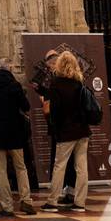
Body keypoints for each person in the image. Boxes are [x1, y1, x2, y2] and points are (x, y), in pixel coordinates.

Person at [0, 58, 36, 216]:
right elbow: (25, 106)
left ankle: (7, 205)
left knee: (0, 170)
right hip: (14, 132)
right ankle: (26, 201)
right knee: (21, 167)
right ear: (10, 69)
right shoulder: (14, 85)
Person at [42, 50, 90, 212]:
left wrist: (55, 128)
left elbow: (54, 110)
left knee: (59, 166)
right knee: (81, 167)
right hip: (82, 130)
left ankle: (52, 201)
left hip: (66, 131)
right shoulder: (79, 83)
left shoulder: (56, 84)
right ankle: (80, 202)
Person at [35, 47, 76, 203]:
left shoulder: (55, 83)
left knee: (59, 162)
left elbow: (50, 108)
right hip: (76, 128)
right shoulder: (77, 81)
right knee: (75, 163)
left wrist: (46, 101)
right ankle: (75, 195)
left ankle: (56, 196)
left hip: (61, 127)